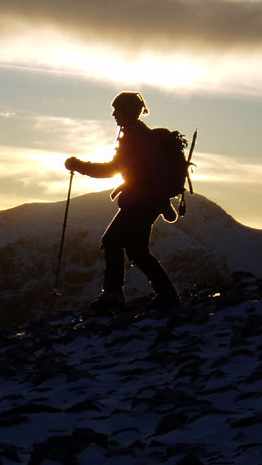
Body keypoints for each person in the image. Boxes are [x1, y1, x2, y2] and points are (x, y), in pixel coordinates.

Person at [65, 91, 181, 313]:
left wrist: (78, 165)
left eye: (117, 109)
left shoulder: (134, 137)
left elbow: (112, 169)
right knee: (137, 250)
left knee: (112, 241)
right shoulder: (142, 135)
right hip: (150, 200)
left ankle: (113, 296)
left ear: (128, 111)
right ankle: (167, 296)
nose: (113, 114)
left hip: (142, 200)